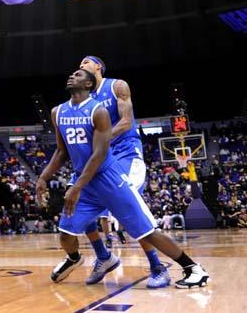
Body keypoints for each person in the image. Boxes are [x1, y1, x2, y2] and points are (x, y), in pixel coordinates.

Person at [36, 69, 209, 289]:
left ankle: (193, 268)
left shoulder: (98, 112)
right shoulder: (57, 112)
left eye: (79, 75)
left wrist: (77, 186)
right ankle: (75, 259)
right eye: (71, 74)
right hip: (85, 181)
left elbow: (99, 155)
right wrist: (43, 177)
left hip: (108, 179)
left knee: (145, 231)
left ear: (89, 84)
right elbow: (61, 152)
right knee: (66, 232)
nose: (72, 76)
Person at [78, 56, 169, 288]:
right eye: (79, 66)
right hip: (103, 159)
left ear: (98, 66)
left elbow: (127, 122)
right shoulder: (85, 100)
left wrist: (99, 140)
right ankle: (104, 257)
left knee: (128, 212)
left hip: (127, 155)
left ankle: (158, 267)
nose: (81, 67)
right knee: (80, 206)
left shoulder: (117, 86)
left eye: (85, 63)